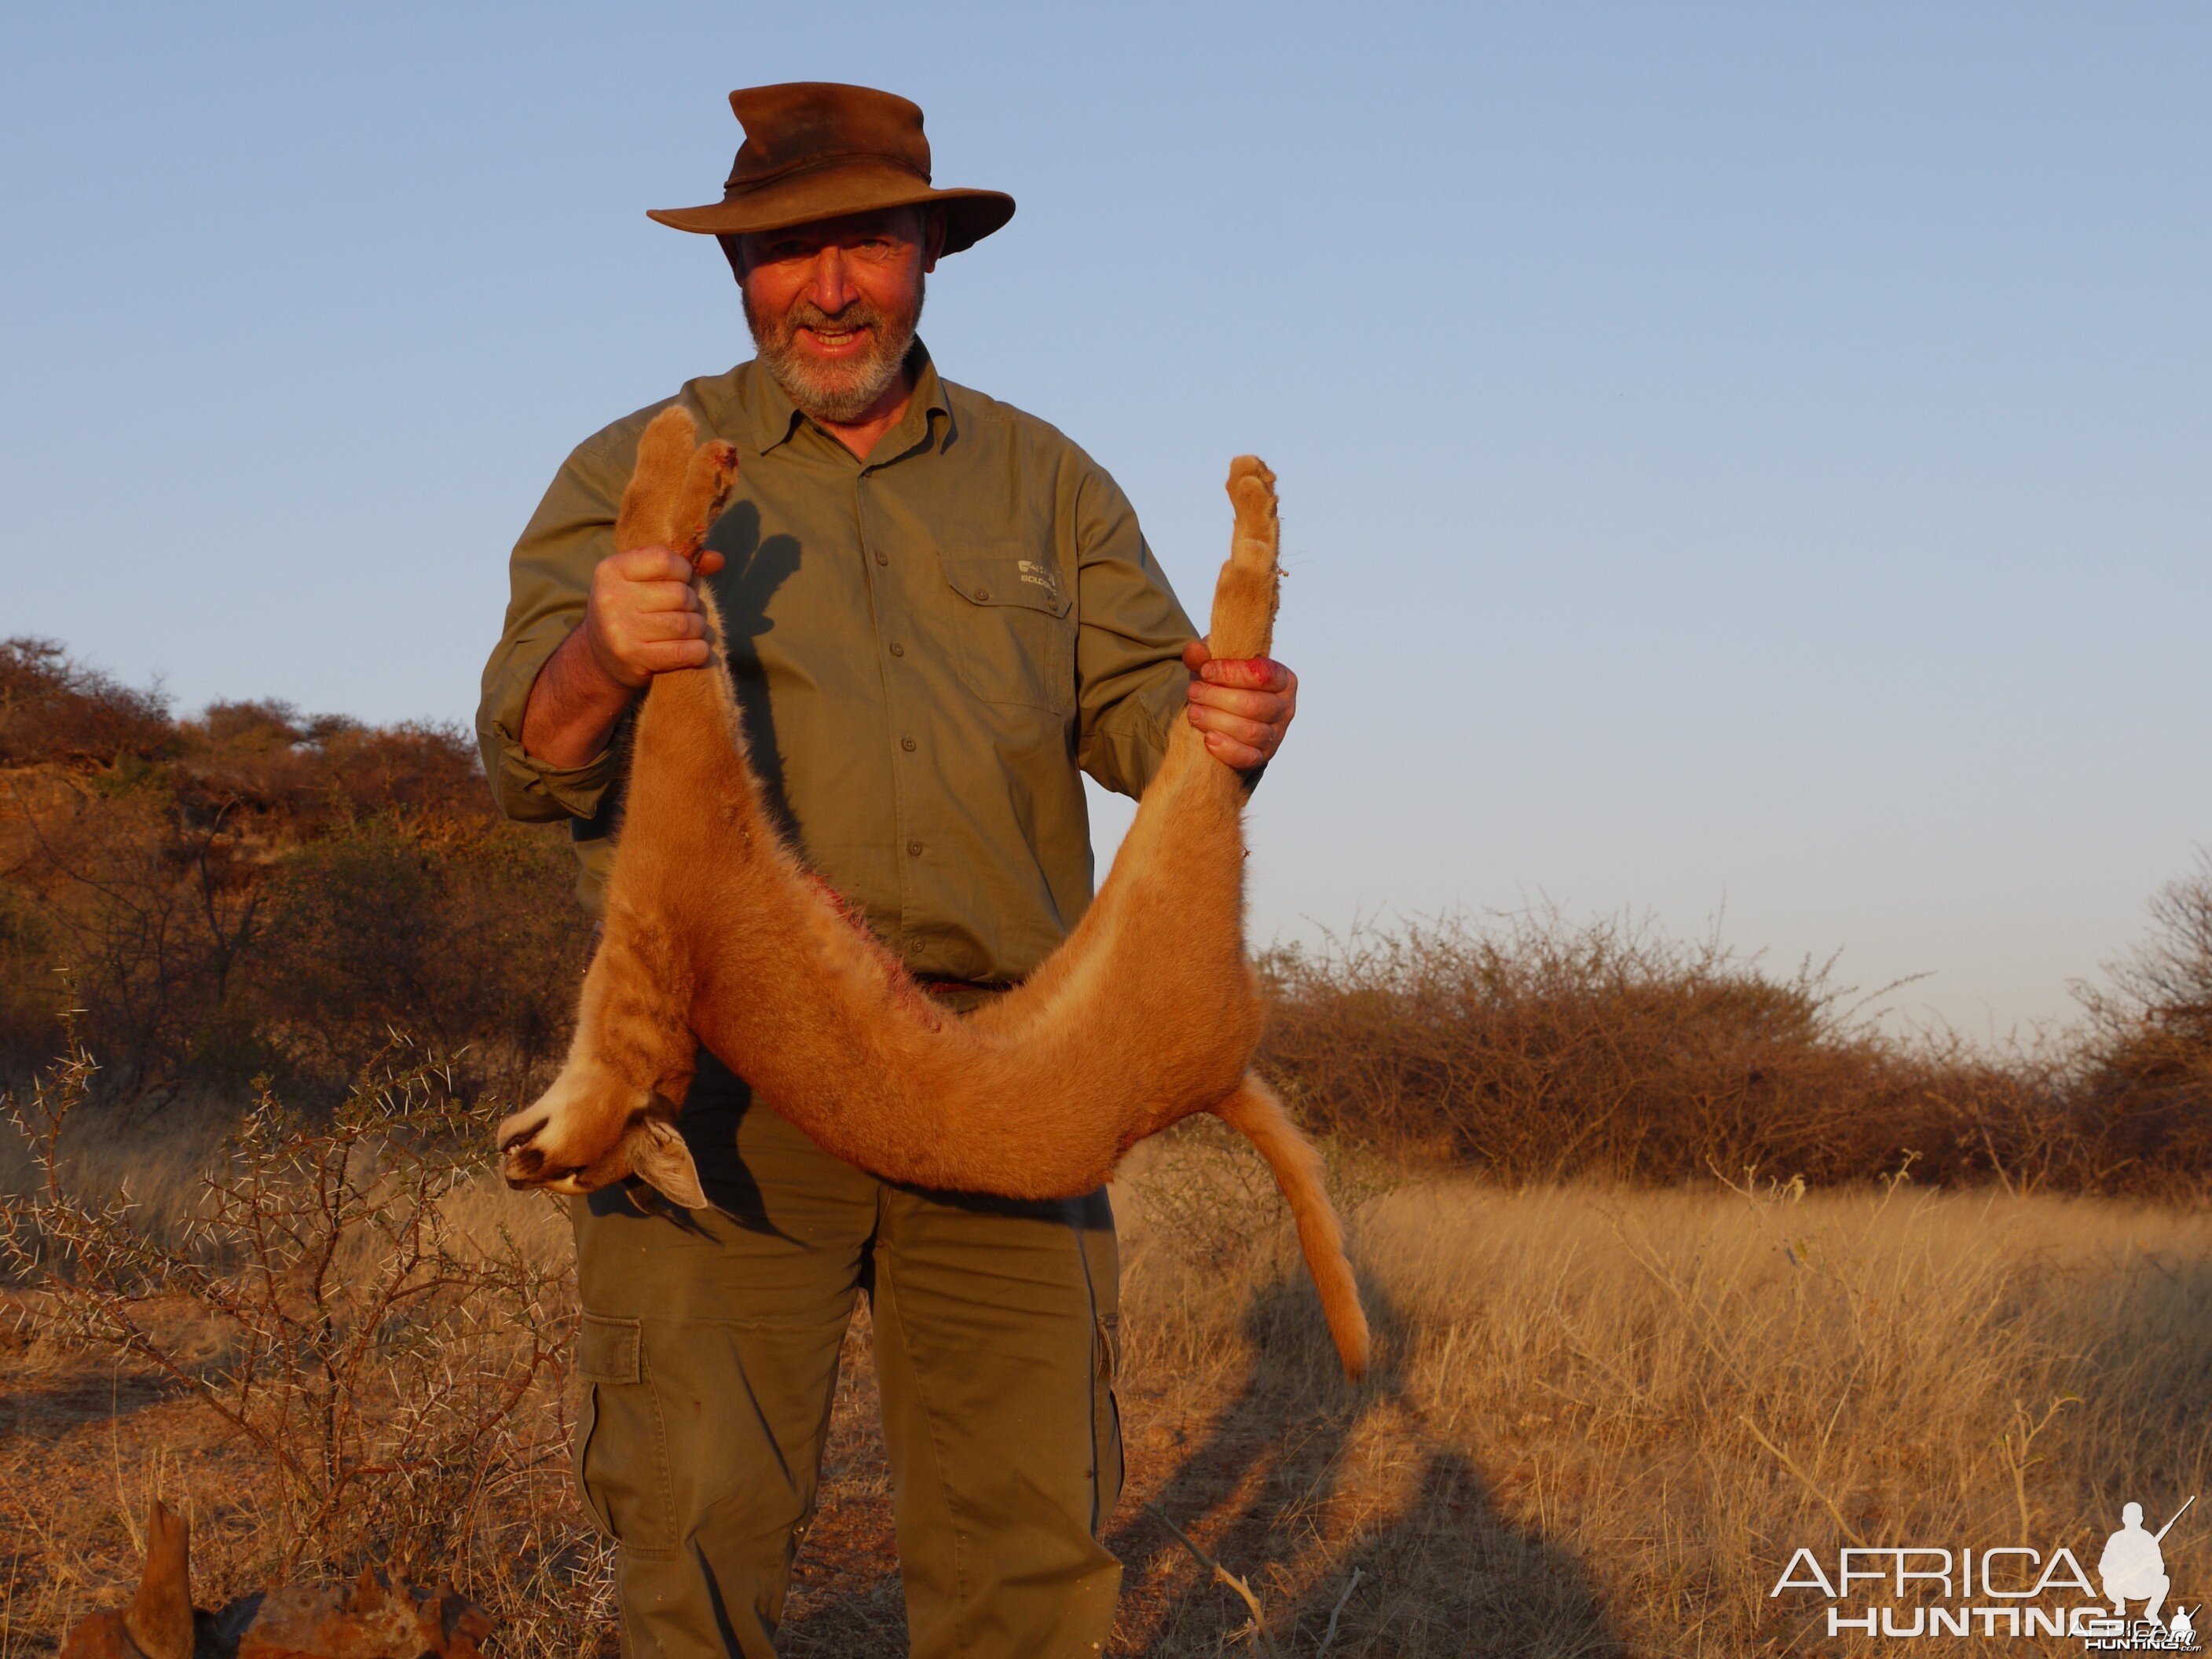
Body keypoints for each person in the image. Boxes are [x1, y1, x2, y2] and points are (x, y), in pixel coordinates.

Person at [475, 82, 1298, 1659]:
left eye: (867, 242)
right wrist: (601, 649)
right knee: (696, 1535)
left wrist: (1230, 723)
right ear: (737, 273)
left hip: (1005, 1073)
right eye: (788, 253)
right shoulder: (629, 465)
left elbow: (1146, 728)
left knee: (1026, 1556)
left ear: (929, 253)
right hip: (726, 1079)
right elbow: (529, 753)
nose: (830, 286)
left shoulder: (1046, 480)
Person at [2099, 1502, 2173, 1628]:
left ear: (2141, 1519)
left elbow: (2159, 1567)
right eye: (2129, 1517)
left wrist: (2145, 1566)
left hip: (2141, 1585)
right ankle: (2119, 1603)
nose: (2132, 1520)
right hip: (2120, 1585)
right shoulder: (2116, 1538)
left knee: (2164, 1581)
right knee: (2109, 1581)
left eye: (2135, 1517)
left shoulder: (2148, 1538)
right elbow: (2103, 1566)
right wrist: (2118, 1570)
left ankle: (2152, 1612)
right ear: (2123, 1519)